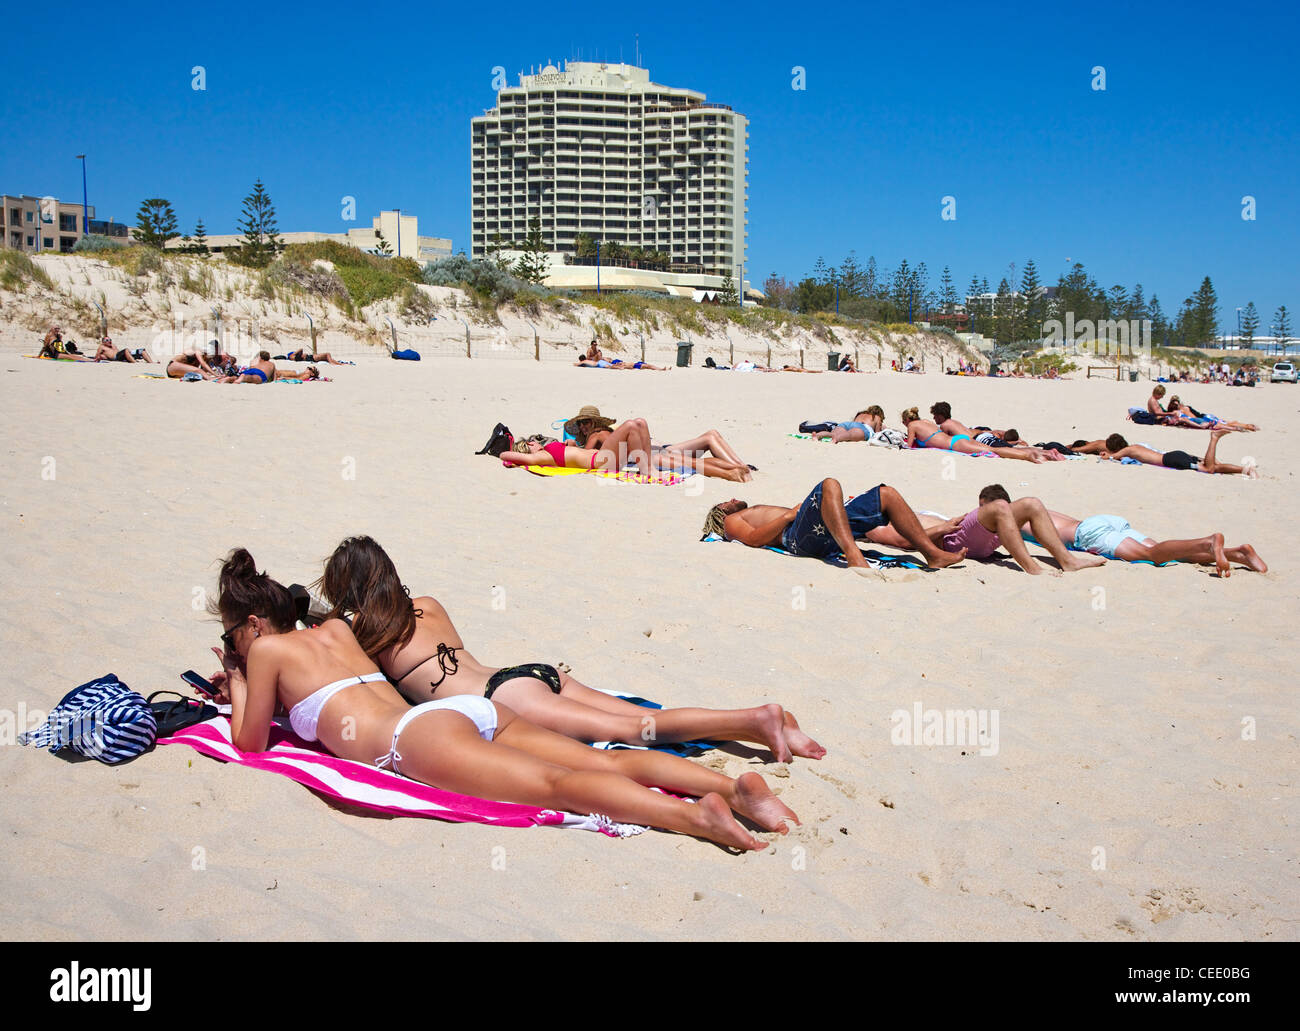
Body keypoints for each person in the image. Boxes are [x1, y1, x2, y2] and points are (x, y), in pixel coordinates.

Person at [208, 548, 798, 850]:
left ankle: (693, 816)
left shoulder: (265, 654)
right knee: (605, 755)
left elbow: (250, 743)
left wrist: (237, 679)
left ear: (255, 626)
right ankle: (731, 788)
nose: (233, 647)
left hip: (413, 738)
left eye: (233, 635)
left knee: (552, 786)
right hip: (473, 708)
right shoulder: (336, 632)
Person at [318, 536, 825, 762]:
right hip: (528, 673)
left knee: (634, 730)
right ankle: (777, 730)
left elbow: (329, 646)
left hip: (505, 698)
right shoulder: (424, 603)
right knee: (645, 716)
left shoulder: (361, 631)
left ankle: (755, 720)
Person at [702, 479, 967, 572]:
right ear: (720, 512)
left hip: (817, 530)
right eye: (727, 501)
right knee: (829, 484)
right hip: (794, 537)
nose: (734, 499)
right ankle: (853, 555)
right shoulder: (730, 521)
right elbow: (753, 539)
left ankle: (932, 555)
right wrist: (788, 516)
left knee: (887, 494)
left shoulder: (749, 510)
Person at [880, 485, 1106, 576]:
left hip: (975, 538)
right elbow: (905, 542)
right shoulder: (881, 524)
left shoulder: (912, 511)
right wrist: (943, 527)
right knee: (999, 507)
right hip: (953, 540)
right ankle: (1032, 568)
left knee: (1032, 503)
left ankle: (1068, 561)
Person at [1017, 511, 1267, 577]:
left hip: (1089, 535)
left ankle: (1210, 542)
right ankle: (1237, 553)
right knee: (1168, 553)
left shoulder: (1015, 520)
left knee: (1152, 555)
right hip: (1103, 521)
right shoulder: (1037, 507)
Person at [901, 408, 1058, 463]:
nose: (904, 424)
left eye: (903, 421)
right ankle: (1042, 452)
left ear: (908, 420)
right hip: (958, 440)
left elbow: (909, 445)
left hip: (955, 445)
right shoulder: (926, 421)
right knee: (992, 448)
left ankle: (1027, 456)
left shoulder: (912, 425)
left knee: (994, 451)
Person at [1075, 429, 1258, 476]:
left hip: (1170, 460)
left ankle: (1214, 438)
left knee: (1208, 469)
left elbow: (1111, 457)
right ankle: (1244, 470)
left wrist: (1106, 456)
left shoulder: (1128, 451)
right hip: (1174, 454)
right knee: (1214, 467)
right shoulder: (1136, 446)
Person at [808, 406, 885, 443]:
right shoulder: (877, 417)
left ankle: (818, 435)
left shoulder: (861, 414)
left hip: (848, 424)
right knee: (849, 435)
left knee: (832, 433)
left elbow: (854, 424)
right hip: (863, 428)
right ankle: (836, 439)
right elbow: (877, 433)